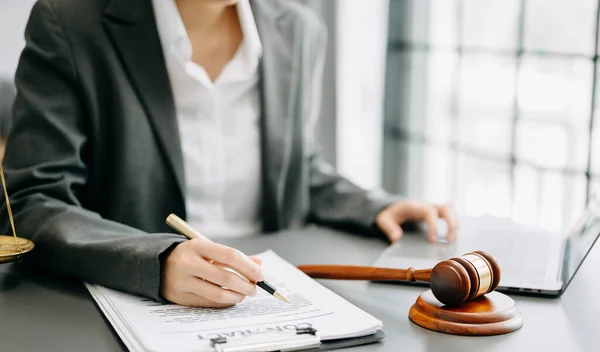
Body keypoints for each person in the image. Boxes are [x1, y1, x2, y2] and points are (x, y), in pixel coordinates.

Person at [2, 0, 457, 308]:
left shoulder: (298, 29)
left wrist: (373, 205)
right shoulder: (69, 22)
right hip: (134, 308)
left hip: (275, 297)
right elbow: (31, 202)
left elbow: (298, 168)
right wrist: (154, 261)